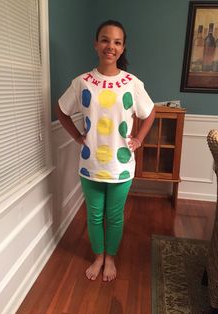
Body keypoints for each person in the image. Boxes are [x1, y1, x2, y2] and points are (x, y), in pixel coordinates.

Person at [57, 20, 155, 282]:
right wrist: (77, 136)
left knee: (113, 216)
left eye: (117, 42)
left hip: (121, 166)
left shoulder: (132, 83)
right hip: (91, 165)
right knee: (94, 214)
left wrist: (139, 140)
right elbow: (62, 110)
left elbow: (149, 111)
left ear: (122, 49)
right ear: (95, 43)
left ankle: (110, 258)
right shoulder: (82, 83)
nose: (110, 46)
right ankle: (98, 256)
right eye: (105, 39)